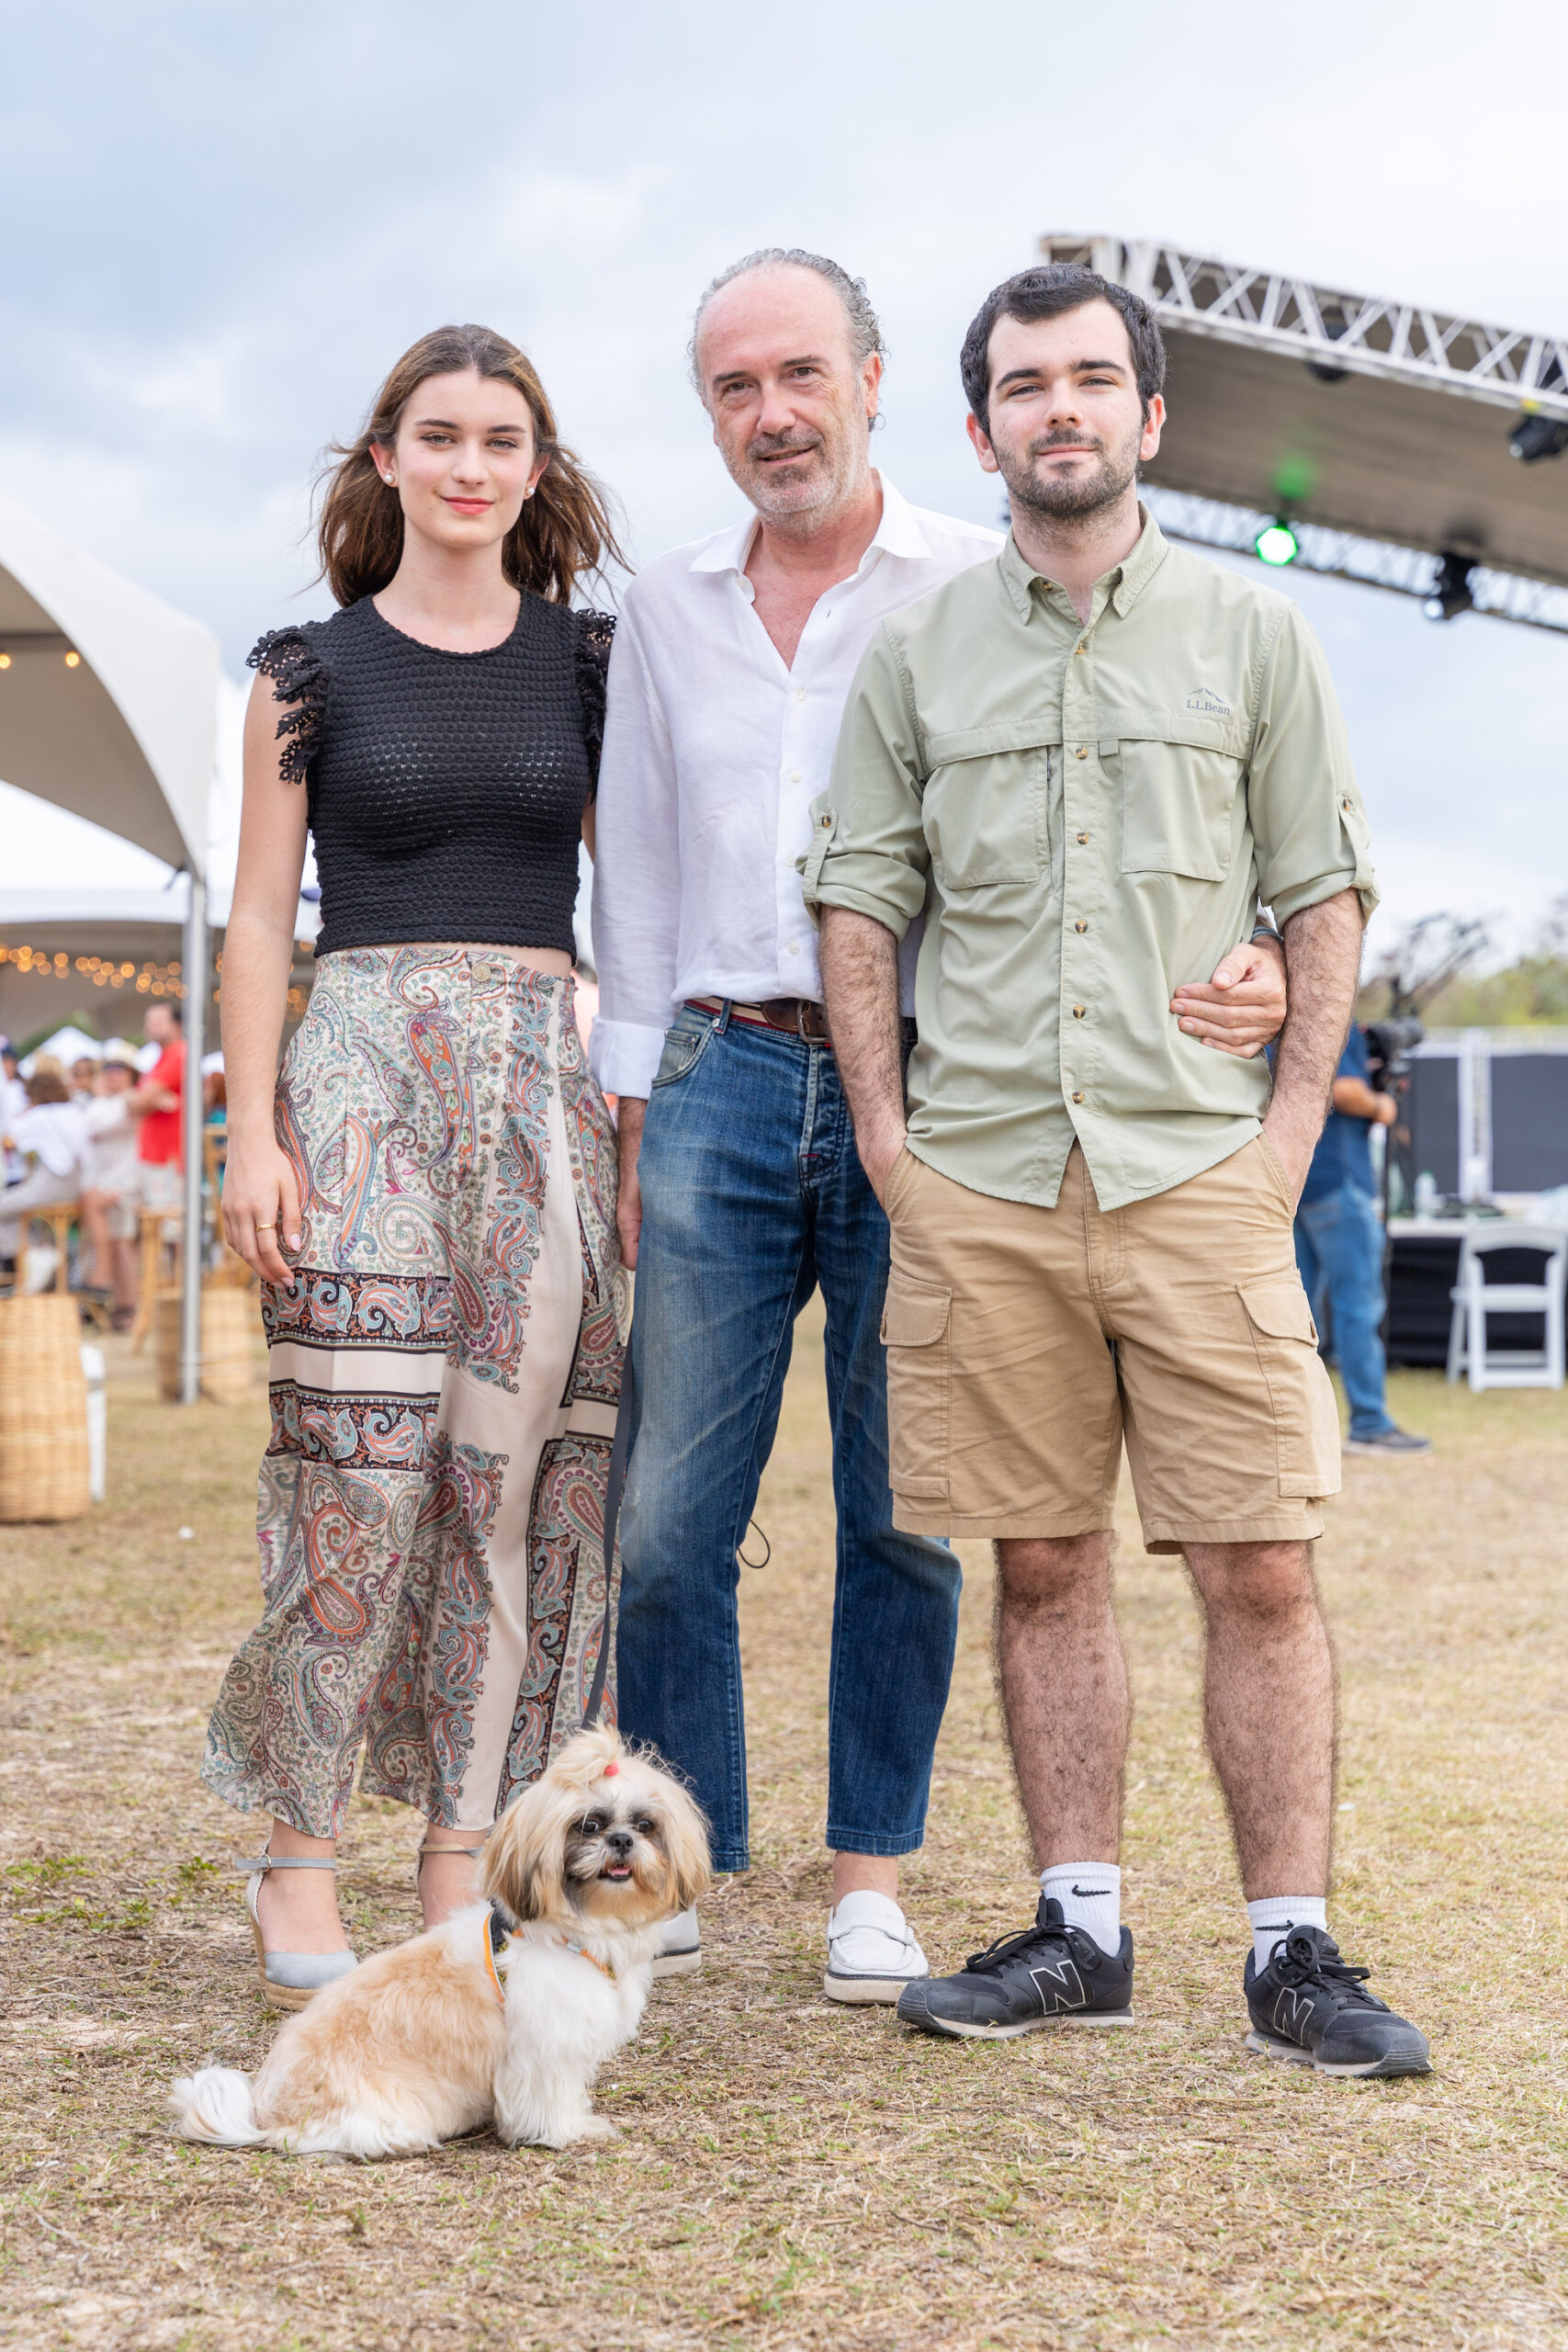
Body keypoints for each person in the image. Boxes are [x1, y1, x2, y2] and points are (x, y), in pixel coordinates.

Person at [591, 249, 1289, 2004]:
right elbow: (638, 861)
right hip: (719, 1069)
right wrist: (629, 1100)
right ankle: (674, 1858)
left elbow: (1124, 834)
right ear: (711, 413)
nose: (773, 413)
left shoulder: (975, 588)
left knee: (904, 1505)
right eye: (736, 386)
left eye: (800, 375)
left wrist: (1261, 959)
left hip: (939, 1083)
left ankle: (869, 1877)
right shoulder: (662, 605)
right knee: (664, 1515)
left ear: (878, 384)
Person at [812, 263, 1431, 2075]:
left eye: (1090, 378)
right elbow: (859, 898)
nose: (1059, 408)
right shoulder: (917, 651)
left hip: (1195, 1173)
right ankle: (1075, 1931)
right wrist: (888, 1143)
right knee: (1040, 1562)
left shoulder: (1253, 635)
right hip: (985, 1179)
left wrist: (1287, 1135)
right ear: (981, 425)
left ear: (1147, 416)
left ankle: (1292, 1951)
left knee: (1260, 1567)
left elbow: (1321, 892)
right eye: (1025, 384)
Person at [201, 322, 624, 2008]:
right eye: (438, 435)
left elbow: (640, 892)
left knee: (509, 1486)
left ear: (535, 469)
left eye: (500, 440)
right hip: (359, 1072)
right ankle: (299, 1851)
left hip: (537, 1089)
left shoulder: (589, 667)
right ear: (385, 458)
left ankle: (463, 1855)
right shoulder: (306, 672)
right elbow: (258, 918)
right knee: (356, 1476)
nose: (468, 464)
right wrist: (253, 1127)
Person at [1296, 1025, 1430, 1458]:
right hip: (1340, 1182)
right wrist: (1381, 1105)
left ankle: (1293, 1430)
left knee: (1297, 1315)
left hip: (1297, 1183)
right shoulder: (1335, 1021)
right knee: (1357, 1307)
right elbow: (1344, 1090)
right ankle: (1370, 1422)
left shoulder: (1277, 1019)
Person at [0, 1067, 88, 1274]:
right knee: (20, 1215)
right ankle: (36, 1256)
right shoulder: (74, 1111)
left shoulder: (38, 1115)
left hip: (53, 1185)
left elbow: (8, 1136)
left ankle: (29, 1259)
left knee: (6, 1207)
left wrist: (27, 1109)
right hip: (78, 1186)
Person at [79, 1050, 143, 1321]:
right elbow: (89, 1125)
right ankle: (123, 1307)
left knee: (120, 1242)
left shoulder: (131, 1100)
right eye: (108, 1069)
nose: (113, 1075)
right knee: (119, 1244)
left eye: (119, 1069)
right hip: (106, 1179)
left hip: (125, 1179)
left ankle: (103, 1278)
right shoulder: (102, 1102)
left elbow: (101, 1124)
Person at [127, 1001, 186, 1213]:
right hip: (154, 1158)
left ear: (177, 1025)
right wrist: (150, 1099)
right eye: (149, 1020)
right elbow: (135, 1103)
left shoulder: (178, 1054)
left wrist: (144, 1099)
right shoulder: (162, 1057)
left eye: (159, 1020)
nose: (151, 1025)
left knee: (167, 1223)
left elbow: (137, 1103)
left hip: (167, 1160)